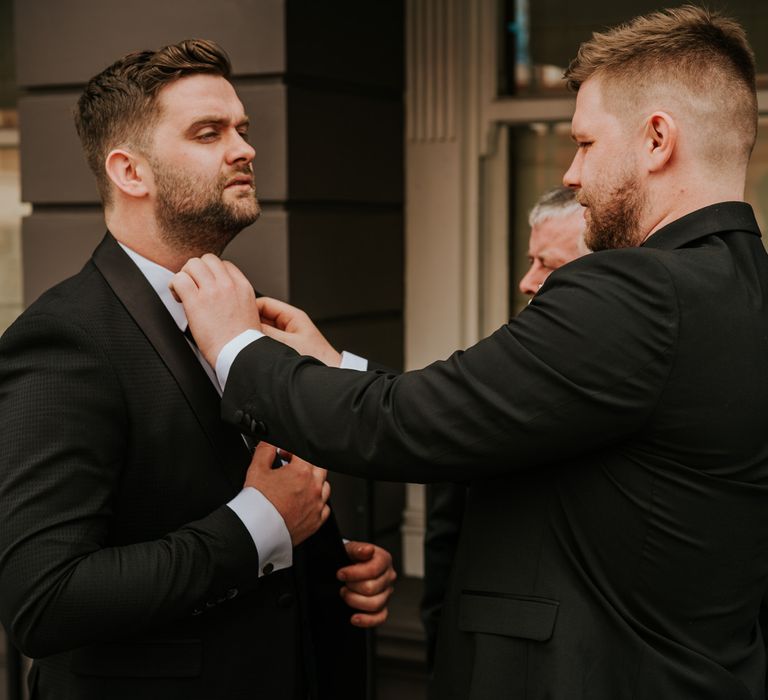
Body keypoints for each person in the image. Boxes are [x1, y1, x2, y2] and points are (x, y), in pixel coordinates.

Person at [175, 6, 768, 698]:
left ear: (656, 139)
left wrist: (238, 349)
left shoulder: (635, 290)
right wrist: (336, 369)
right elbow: (505, 412)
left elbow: (407, 426)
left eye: (583, 143)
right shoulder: (744, 287)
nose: (572, 174)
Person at [0, 39, 395, 700]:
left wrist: (322, 564)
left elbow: (220, 498)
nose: (245, 149)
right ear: (131, 172)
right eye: (209, 133)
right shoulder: (66, 337)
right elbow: (45, 599)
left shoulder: (241, 312)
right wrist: (263, 524)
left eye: (242, 129)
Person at [422, 185, 588, 669]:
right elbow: (446, 530)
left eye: (548, 265)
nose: (526, 280)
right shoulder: (497, 366)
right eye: (530, 260)